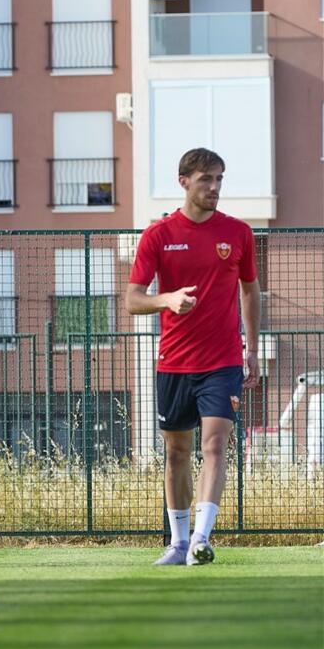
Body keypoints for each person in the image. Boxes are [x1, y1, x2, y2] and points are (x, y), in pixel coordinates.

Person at [126, 148, 260, 566]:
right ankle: (179, 542)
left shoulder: (238, 233)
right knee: (177, 453)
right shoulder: (158, 235)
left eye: (219, 179)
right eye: (206, 179)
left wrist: (253, 349)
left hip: (223, 362)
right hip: (174, 362)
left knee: (215, 445)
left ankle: (202, 538)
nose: (215, 187)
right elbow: (132, 300)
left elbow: (250, 291)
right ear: (183, 181)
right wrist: (167, 299)